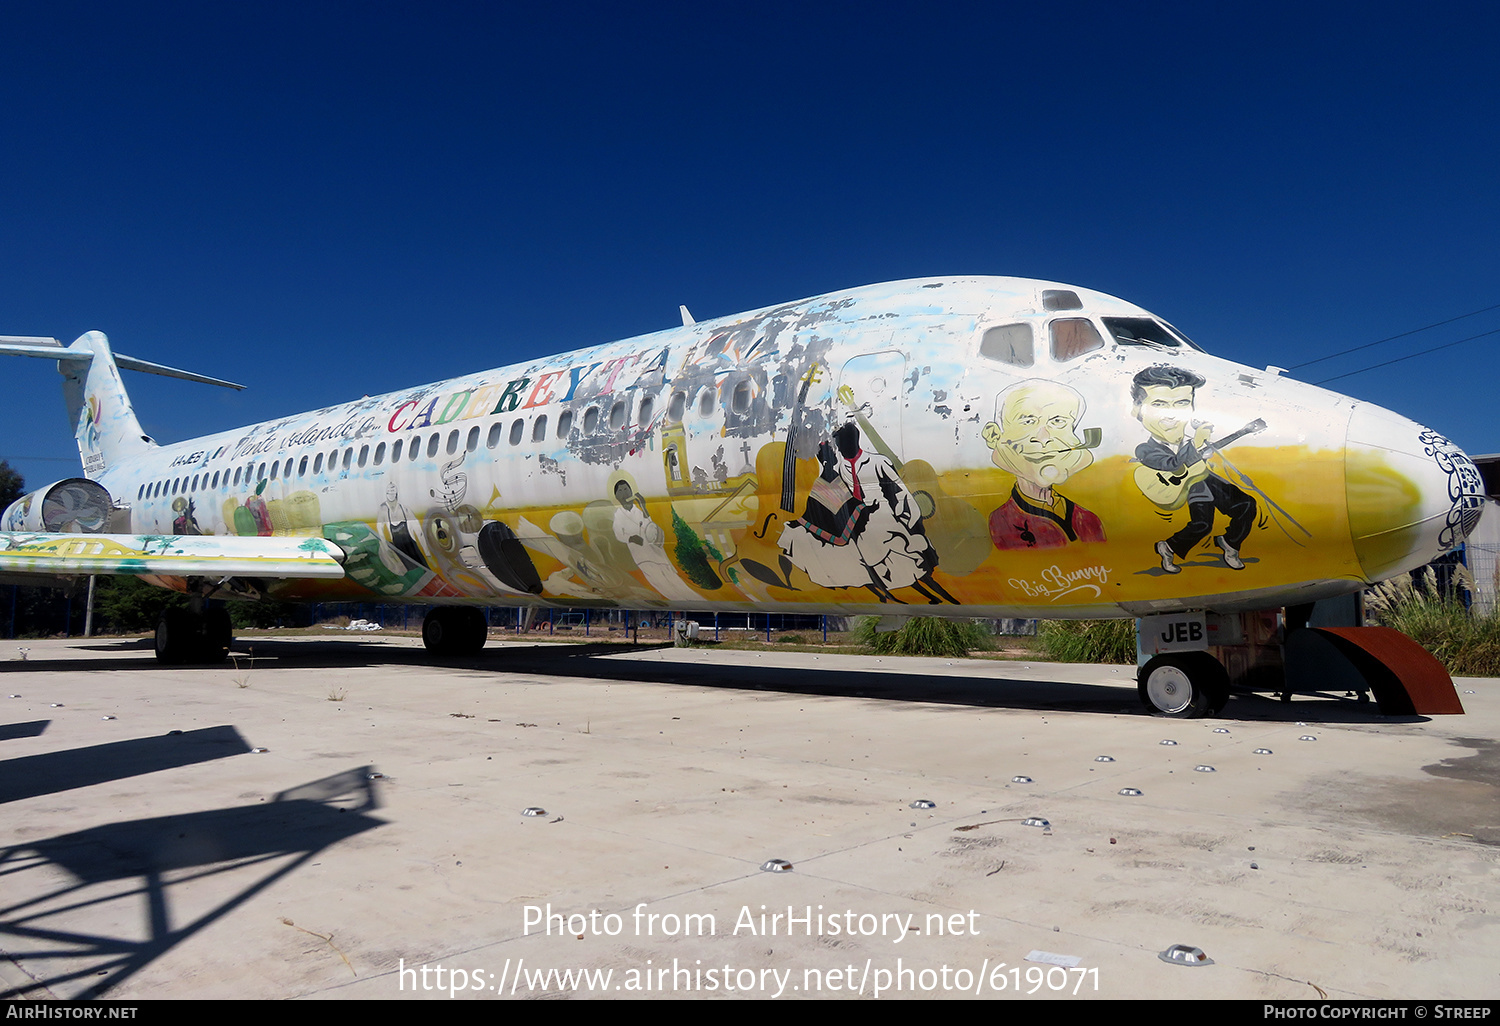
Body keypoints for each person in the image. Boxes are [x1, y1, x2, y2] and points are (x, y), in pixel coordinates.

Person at [1130, 365, 1255, 573]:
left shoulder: (1188, 441)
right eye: (1159, 404)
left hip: (1201, 478)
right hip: (1185, 486)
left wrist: (1242, 432)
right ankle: (1168, 547)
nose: (1171, 415)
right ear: (1137, 410)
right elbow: (1174, 466)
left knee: (1246, 504)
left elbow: (1193, 462)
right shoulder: (1145, 449)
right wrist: (1196, 443)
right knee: (1203, 525)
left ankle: (1230, 544)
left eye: (1182, 403)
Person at [982, 380, 1105, 549]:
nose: (1043, 437)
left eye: (1058, 422)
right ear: (994, 435)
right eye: (1027, 421)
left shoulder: (1087, 518)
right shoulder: (1000, 522)